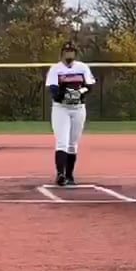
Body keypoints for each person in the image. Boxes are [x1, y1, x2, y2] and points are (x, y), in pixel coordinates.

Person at [46, 40, 96, 186]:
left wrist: (80, 92)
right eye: (67, 51)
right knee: (62, 141)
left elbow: (89, 86)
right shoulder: (56, 69)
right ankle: (60, 174)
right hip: (61, 108)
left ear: (75, 53)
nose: (69, 54)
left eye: (72, 51)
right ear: (62, 53)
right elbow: (53, 89)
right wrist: (65, 93)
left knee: (73, 143)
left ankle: (69, 175)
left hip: (78, 108)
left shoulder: (82, 67)